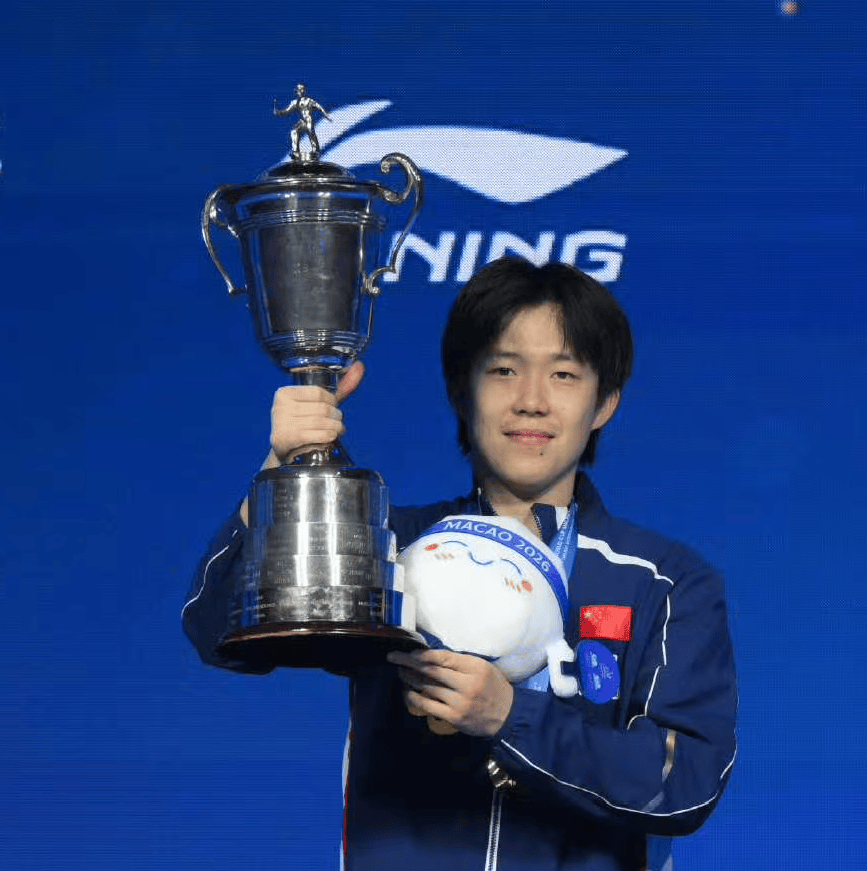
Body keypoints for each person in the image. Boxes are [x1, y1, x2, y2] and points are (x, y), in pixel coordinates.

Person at [182, 256, 737, 871]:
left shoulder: (660, 579)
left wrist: (511, 718)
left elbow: (686, 781)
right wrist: (284, 469)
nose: (531, 401)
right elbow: (218, 630)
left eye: (563, 374)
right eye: (503, 370)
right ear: (460, 390)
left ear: (604, 401)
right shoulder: (389, 543)